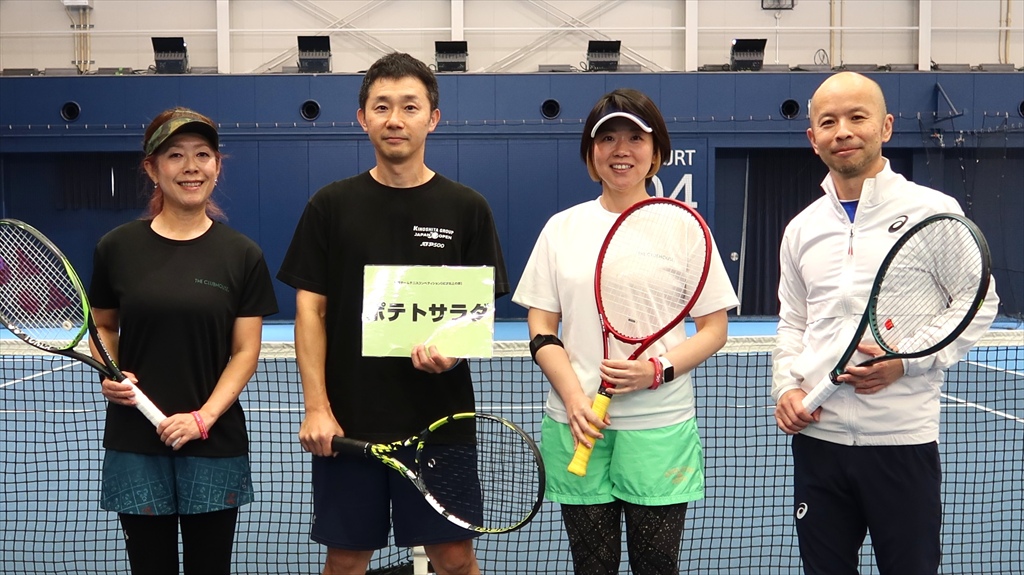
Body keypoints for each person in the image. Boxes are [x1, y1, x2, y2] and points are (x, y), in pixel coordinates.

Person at [276, 52, 509, 575]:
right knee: (345, 561)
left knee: (454, 558)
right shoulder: (330, 206)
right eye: (381, 107)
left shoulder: (467, 207)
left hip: (441, 424)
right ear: (363, 118)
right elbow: (310, 312)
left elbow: (477, 307)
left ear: (433, 118)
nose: (395, 119)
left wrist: (451, 354)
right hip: (348, 426)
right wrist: (317, 408)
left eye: (410, 106)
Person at [771, 72, 999, 575]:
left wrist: (908, 360)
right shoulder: (801, 229)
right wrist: (786, 386)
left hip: (902, 443)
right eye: (828, 122)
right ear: (813, 138)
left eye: (857, 117)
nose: (843, 131)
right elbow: (793, 322)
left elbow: (978, 301)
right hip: (819, 443)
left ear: (886, 127)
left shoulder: (932, 211)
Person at [512, 88, 738, 575]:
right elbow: (542, 326)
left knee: (656, 566)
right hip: (577, 424)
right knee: (592, 567)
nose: (621, 150)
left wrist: (657, 370)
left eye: (636, 138)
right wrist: (574, 397)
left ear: (656, 153)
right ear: (590, 154)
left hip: (659, 426)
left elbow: (714, 328)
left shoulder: (685, 229)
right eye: (607, 138)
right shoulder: (561, 229)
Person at [89, 107, 279, 575]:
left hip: (213, 442)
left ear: (217, 166)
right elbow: (103, 326)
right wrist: (109, 369)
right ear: (152, 168)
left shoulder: (243, 255)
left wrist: (202, 418)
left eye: (202, 155)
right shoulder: (116, 248)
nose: (191, 167)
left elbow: (245, 350)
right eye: (175, 155)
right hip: (137, 441)